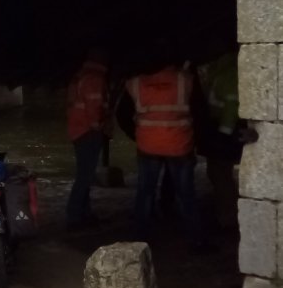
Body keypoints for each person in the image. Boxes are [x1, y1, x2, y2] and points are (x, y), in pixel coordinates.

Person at [120, 60, 211, 251]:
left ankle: (139, 242)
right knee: (186, 194)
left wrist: (139, 135)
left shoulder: (136, 83)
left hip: (148, 146)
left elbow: (122, 115)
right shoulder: (185, 81)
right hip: (180, 145)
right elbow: (202, 115)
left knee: (145, 193)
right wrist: (196, 140)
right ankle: (197, 241)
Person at [197, 51, 256, 229]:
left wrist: (224, 134)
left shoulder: (228, 73)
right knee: (219, 174)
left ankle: (227, 218)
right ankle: (227, 214)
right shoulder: (222, 71)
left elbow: (231, 105)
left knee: (220, 175)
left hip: (225, 129)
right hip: (224, 128)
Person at [66, 50, 110, 230]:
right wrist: (97, 126)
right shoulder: (95, 78)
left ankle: (84, 213)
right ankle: (75, 216)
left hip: (78, 130)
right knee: (84, 176)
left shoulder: (80, 76)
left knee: (84, 174)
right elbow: (94, 106)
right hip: (88, 132)